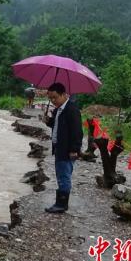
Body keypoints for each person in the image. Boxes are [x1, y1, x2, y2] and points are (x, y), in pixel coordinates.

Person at [42, 83, 83, 213]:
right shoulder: (57, 110)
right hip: (58, 147)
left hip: (67, 149)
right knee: (61, 174)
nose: (53, 101)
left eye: (55, 97)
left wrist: (75, 149)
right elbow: (56, 125)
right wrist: (48, 121)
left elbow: (77, 131)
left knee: (64, 176)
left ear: (64, 95)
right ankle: (60, 202)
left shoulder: (72, 110)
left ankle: (62, 204)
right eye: (51, 98)